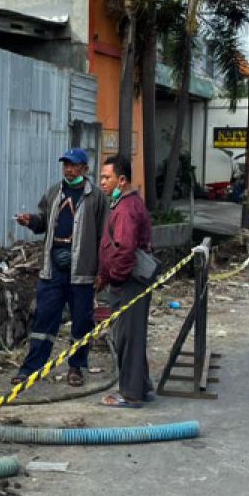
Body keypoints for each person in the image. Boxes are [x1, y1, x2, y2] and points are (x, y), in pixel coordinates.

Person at [12, 149, 109, 387]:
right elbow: (44, 221)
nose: (68, 169)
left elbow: (104, 236)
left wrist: (101, 271)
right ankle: (31, 368)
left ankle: (76, 367)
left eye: (73, 165)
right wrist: (31, 221)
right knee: (44, 318)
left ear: (84, 169)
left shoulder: (96, 197)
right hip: (53, 267)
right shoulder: (55, 192)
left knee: (81, 321)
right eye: (65, 164)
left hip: (82, 269)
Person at [96, 155, 154, 408]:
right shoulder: (126, 203)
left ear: (122, 180)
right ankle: (141, 385)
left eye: (107, 178)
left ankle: (130, 394)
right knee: (133, 335)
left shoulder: (126, 209)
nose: (102, 182)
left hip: (128, 282)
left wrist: (112, 278)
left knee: (127, 338)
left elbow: (125, 249)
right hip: (130, 281)